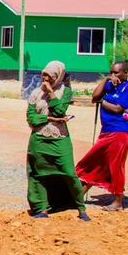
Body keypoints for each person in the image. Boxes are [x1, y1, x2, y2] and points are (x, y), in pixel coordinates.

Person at [25, 61, 89, 221]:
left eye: (49, 76)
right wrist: (49, 117)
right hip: (39, 139)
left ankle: (80, 207)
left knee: (68, 172)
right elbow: (31, 118)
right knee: (38, 174)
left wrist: (51, 93)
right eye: (43, 74)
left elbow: (60, 110)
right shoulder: (35, 93)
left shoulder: (65, 92)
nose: (45, 78)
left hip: (59, 139)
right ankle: (41, 208)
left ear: (58, 76)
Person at [76, 61, 128, 211]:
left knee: (115, 166)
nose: (113, 75)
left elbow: (117, 109)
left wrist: (102, 101)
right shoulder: (110, 86)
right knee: (95, 161)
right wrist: (106, 80)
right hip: (107, 131)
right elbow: (94, 96)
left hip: (120, 132)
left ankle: (118, 201)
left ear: (125, 73)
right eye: (111, 72)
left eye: (116, 73)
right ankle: (78, 196)